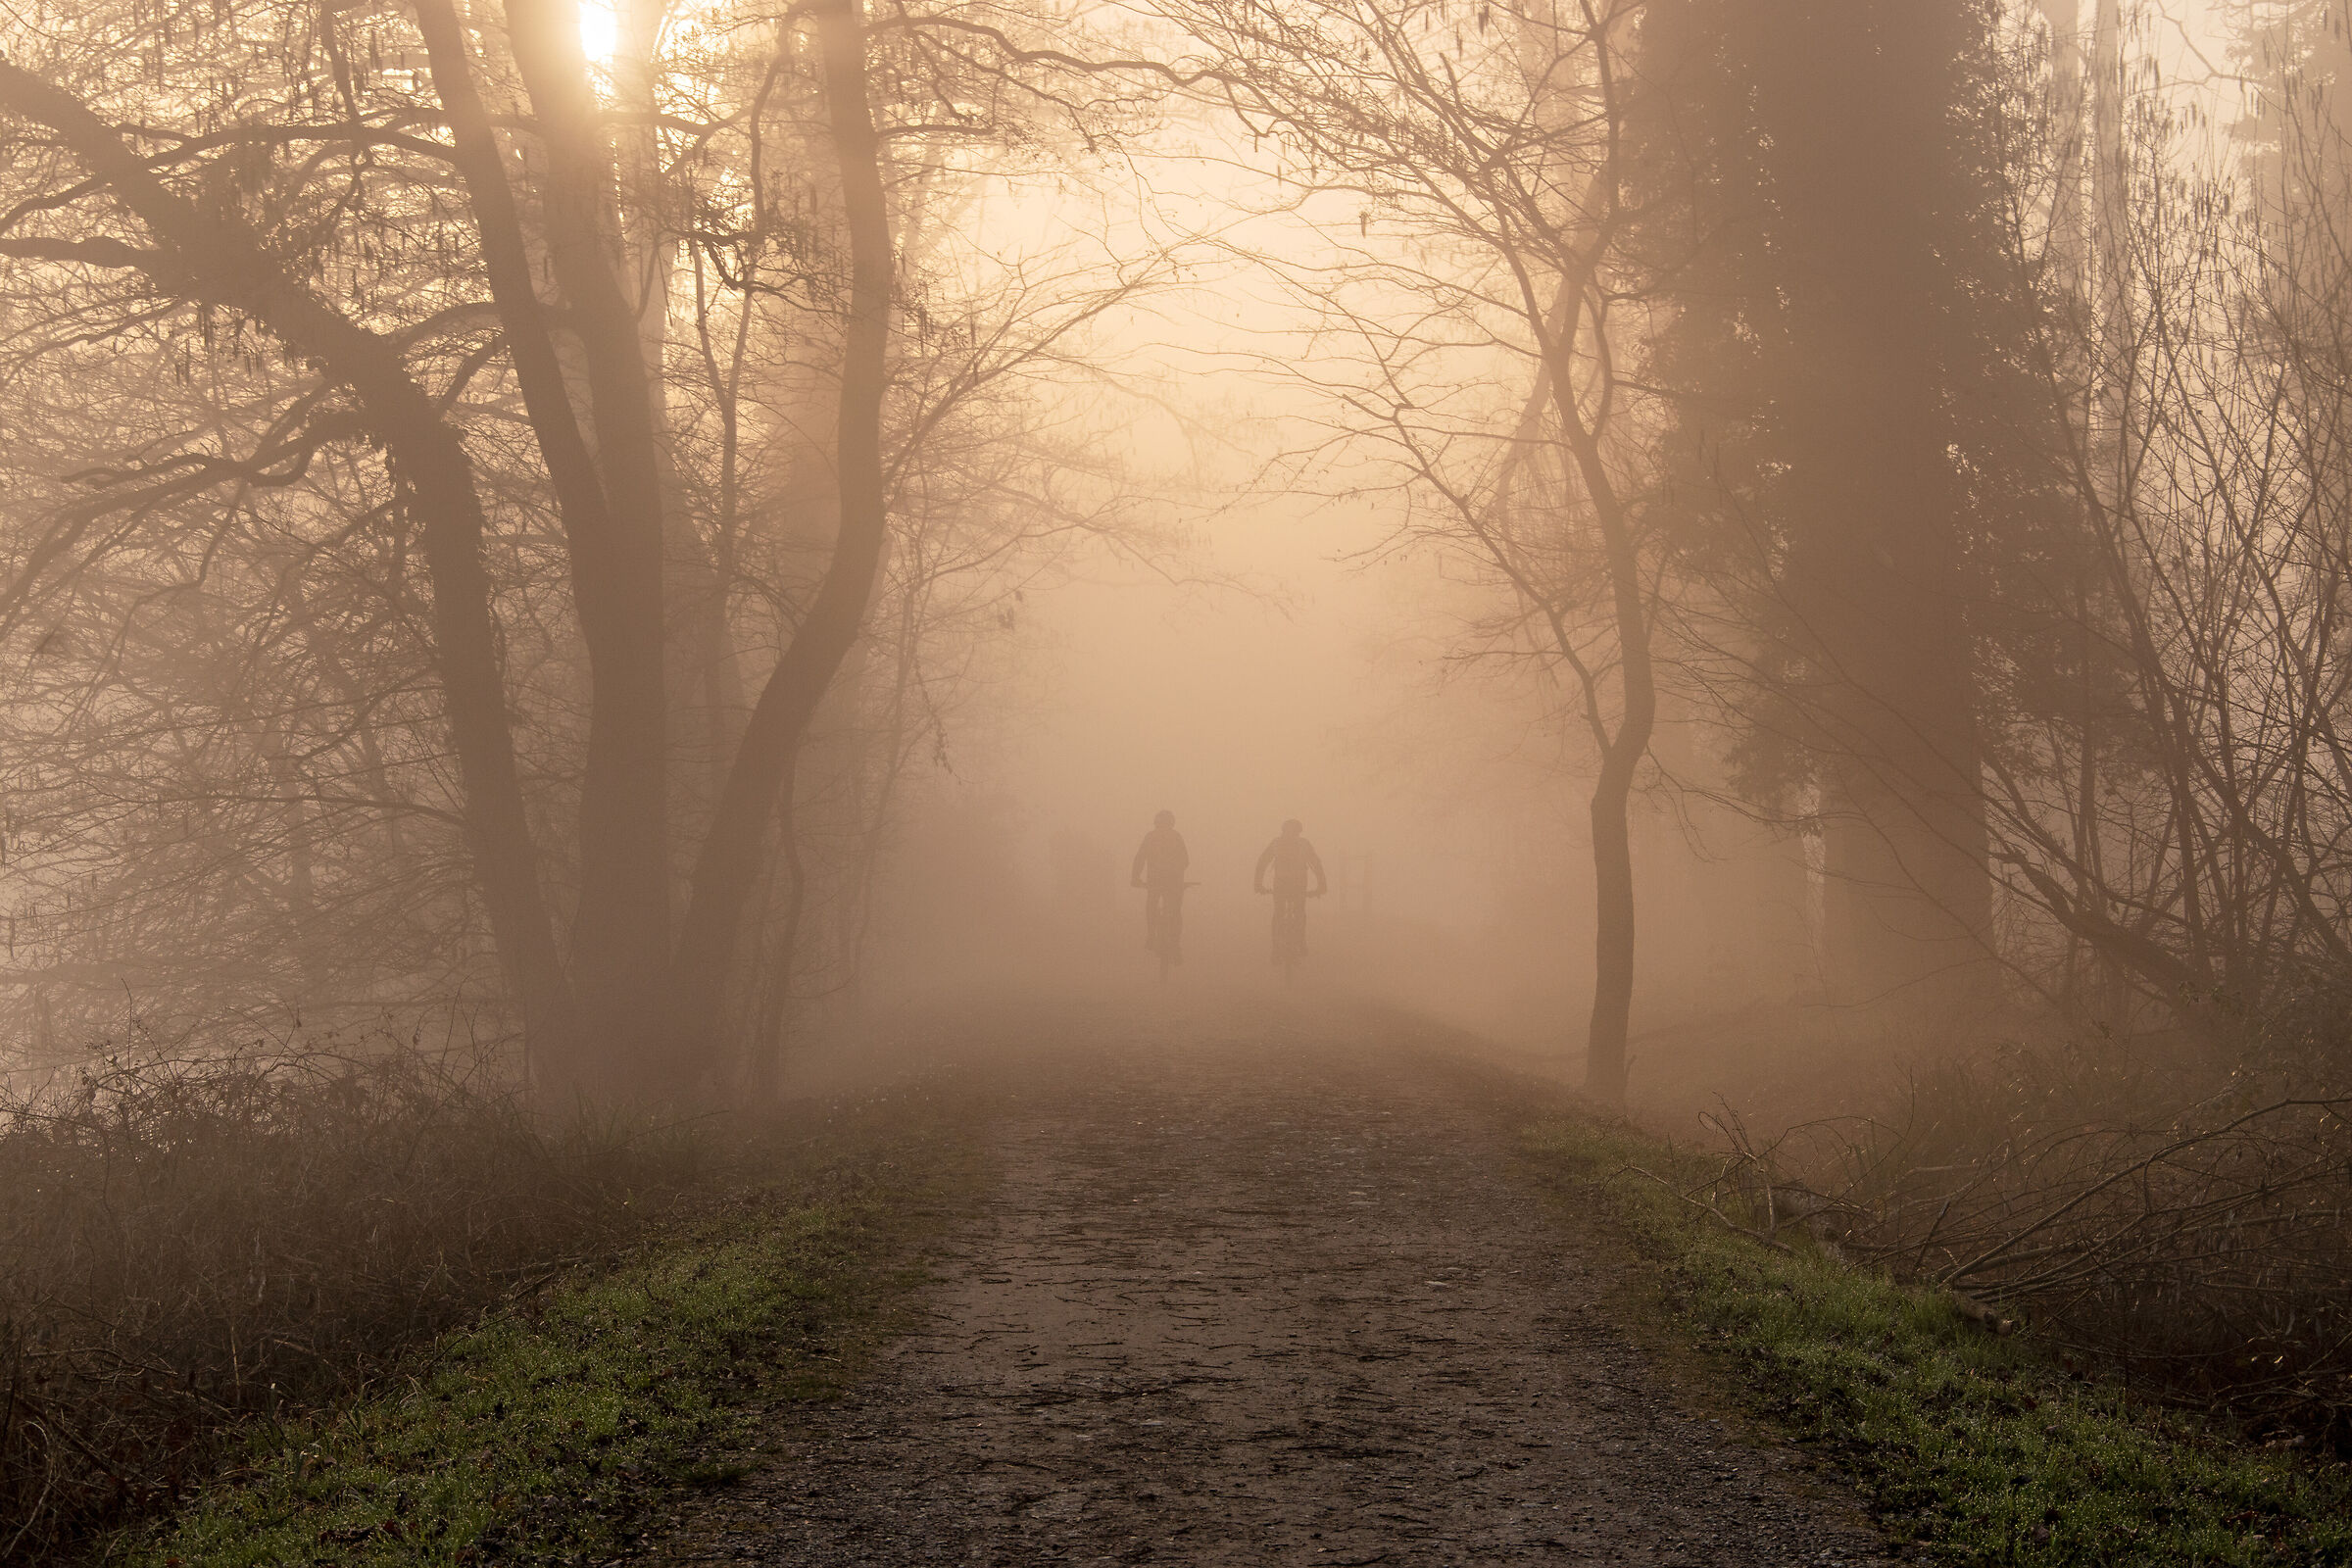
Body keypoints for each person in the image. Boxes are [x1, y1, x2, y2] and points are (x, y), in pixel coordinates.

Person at [1253, 818, 1328, 963]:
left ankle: (1276, 949)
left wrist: (1258, 884)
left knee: (1279, 914)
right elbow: (1316, 864)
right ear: (1299, 831)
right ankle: (1300, 941)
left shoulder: (1276, 843)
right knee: (1299, 912)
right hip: (1299, 884)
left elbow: (1262, 861)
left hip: (1280, 884)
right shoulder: (1304, 844)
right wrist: (1322, 886)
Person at [1131, 809, 1191, 962]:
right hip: (1174, 883)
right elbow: (1185, 861)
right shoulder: (1176, 837)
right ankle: (1176, 947)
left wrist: (1135, 878)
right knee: (1176, 912)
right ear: (1172, 823)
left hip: (1155, 881)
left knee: (1151, 905)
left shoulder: (1150, 837)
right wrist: (1175, 872)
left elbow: (1140, 858)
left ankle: (1151, 936)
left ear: (1156, 823)